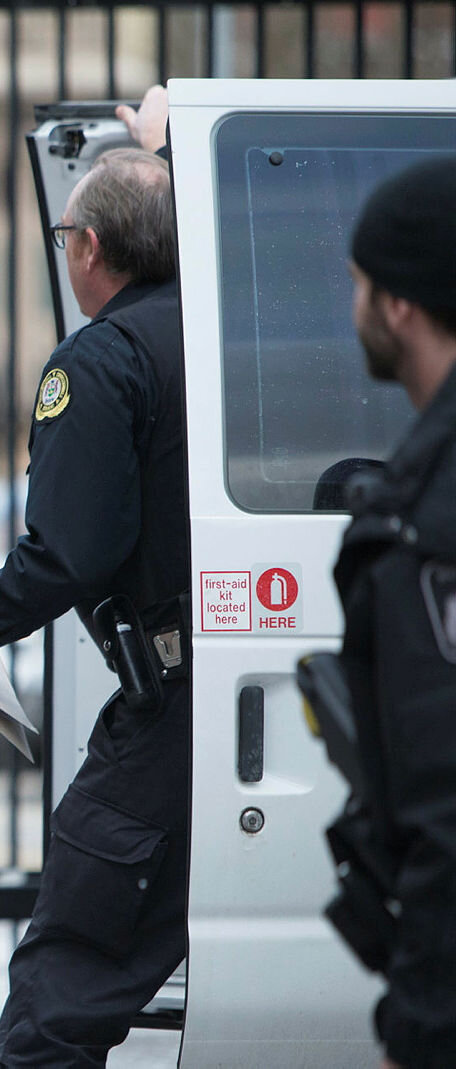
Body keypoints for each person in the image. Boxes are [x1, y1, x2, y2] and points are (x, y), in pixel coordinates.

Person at [0, 148, 187, 1067]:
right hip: (226, 696)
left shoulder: (102, 357)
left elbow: (69, 550)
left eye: (64, 233)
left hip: (170, 720)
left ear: (91, 247)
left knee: (61, 989)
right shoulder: (219, 339)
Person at [324, 155, 456, 1069]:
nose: (355, 305)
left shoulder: (425, 521)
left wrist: (418, 1034)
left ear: (400, 304)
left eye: (360, 283)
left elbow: (447, 811)